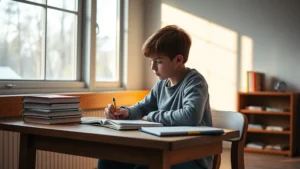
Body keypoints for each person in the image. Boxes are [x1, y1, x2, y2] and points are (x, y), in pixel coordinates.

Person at [98, 25, 212, 169]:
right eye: (151, 61)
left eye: (158, 61)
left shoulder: (195, 82)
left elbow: (191, 116)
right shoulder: (161, 84)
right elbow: (142, 107)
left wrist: (152, 117)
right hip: (163, 149)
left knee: (145, 166)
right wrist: (125, 112)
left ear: (178, 60)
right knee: (109, 158)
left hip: (192, 156)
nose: (153, 67)